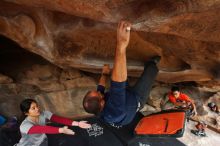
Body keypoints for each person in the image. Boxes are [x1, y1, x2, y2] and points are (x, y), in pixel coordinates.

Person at [83, 21, 160, 126]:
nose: (99, 92)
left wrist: (104, 74)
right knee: (150, 72)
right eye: (99, 95)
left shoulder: (97, 105)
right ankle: (152, 63)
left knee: (117, 74)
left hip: (124, 95)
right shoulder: (114, 111)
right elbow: (118, 83)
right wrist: (121, 45)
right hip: (136, 100)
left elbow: (100, 89)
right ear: (101, 103)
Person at [16, 98, 91, 146]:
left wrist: (78, 123)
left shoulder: (44, 113)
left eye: (37, 106)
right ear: (26, 113)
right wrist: (62, 130)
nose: (37, 109)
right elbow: (42, 129)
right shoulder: (24, 126)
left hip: (43, 142)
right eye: (33, 108)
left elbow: (59, 119)